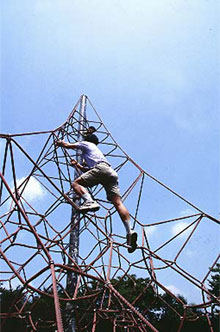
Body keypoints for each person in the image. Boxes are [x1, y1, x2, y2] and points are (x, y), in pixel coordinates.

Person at [56, 131, 138, 253]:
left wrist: (61, 143)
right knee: (118, 203)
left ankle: (89, 201)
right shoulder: (95, 152)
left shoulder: (85, 144)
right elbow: (87, 169)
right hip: (110, 171)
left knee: (76, 183)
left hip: (100, 169)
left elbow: (68, 145)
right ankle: (129, 231)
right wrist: (77, 165)